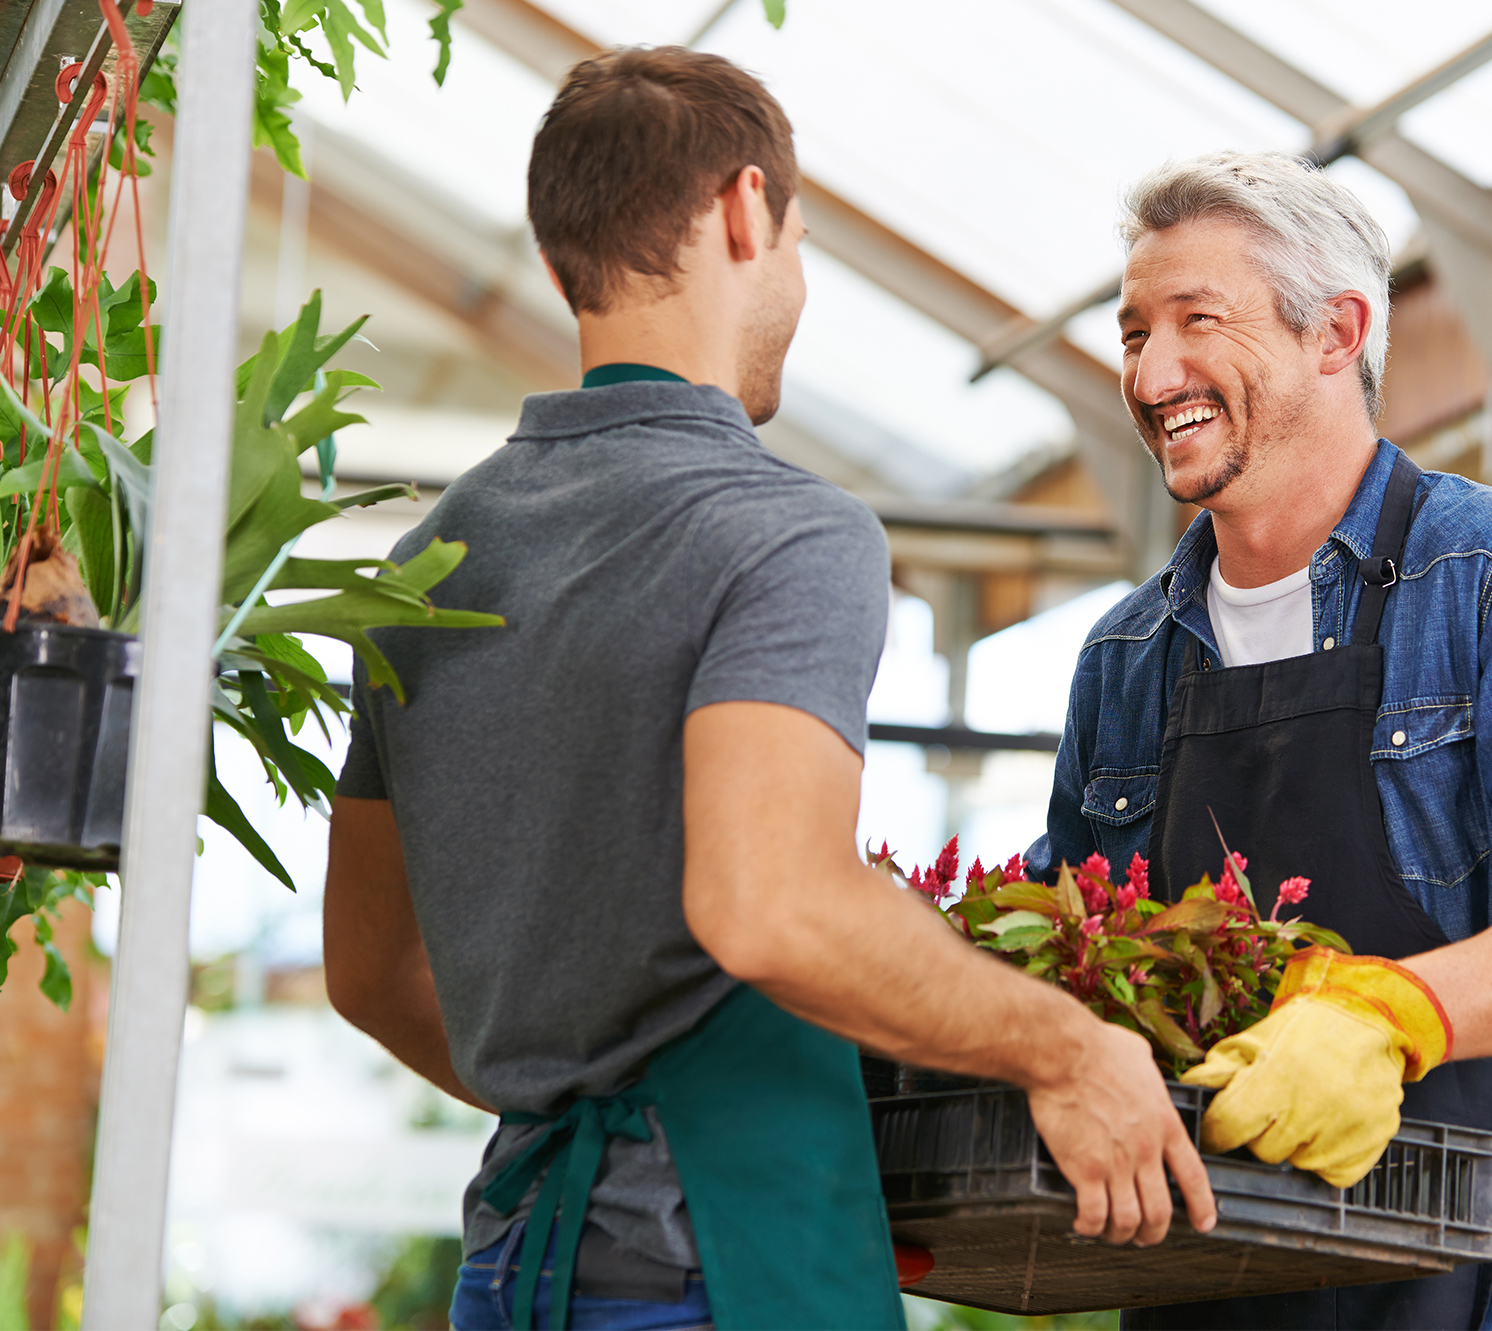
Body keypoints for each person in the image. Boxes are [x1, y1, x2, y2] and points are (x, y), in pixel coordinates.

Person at [321, 48, 1215, 1331]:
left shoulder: (434, 557)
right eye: (794, 240)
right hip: (716, 1271)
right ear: (746, 211)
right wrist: (1071, 1046)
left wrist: (580, 1091)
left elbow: (368, 969)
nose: (793, 279)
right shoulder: (781, 532)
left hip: (517, 1266)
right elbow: (769, 904)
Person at [1028, 151, 1492, 1330]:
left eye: (1196, 320)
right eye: (1133, 333)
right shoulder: (1125, 657)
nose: (1150, 370)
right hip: (1210, 1273)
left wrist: (1386, 1014)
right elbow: (1065, 963)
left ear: (1335, 333)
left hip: (1482, 1272)